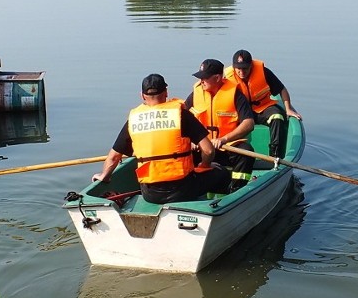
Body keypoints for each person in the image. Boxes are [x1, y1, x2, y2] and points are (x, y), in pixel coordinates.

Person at [92, 74, 230, 204]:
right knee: (221, 173)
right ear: (166, 92)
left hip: (150, 194)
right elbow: (208, 150)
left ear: (142, 96)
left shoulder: (134, 119)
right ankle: (215, 205)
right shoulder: (181, 115)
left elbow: (114, 158)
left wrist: (105, 175)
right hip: (182, 190)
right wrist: (204, 166)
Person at [185, 59, 255, 192]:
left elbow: (248, 123)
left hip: (227, 146)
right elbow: (181, 118)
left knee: (247, 153)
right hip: (203, 147)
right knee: (182, 151)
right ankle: (192, 189)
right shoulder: (196, 93)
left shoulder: (235, 94)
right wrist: (191, 140)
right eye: (200, 78)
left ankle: (236, 190)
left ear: (217, 78)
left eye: (205, 78)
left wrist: (224, 139)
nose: (201, 81)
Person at [224, 49, 302, 157]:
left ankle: (274, 155)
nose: (242, 72)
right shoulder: (226, 78)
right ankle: (230, 155)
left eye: (245, 68)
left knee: (277, 116)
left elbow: (282, 89)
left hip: (262, 108)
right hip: (241, 111)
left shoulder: (264, 72)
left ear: (251, 65)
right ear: (233, 67)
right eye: (239, 69)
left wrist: (288, 108)